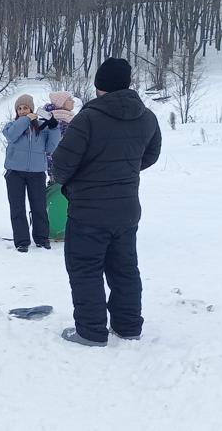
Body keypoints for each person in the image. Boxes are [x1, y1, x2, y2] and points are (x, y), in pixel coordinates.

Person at [52, 58, 161, 347]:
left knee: (85, 269)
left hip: (89, 211)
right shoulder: (147, 117)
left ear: (99, 86)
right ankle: (128, 327)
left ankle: (90, 332)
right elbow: (150, 156)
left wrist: (85, 177)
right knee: (124, 269)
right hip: (126, 211)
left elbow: (61, 166)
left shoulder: (89, 118)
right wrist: (121, 170)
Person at [2, 94, 61, 252]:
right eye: (19, 108)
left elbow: (51, 148)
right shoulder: (10, 126)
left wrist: (54, 127)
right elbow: (12, 136)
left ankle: (42, 238)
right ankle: (22, 241)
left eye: (25, 108)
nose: (22, 110)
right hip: (15, 173)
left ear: (32, 109)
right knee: (17, 208)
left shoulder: (42, 128)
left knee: (39, 207)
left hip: (36, 173)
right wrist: (26, 119)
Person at [44, 91, 76, 182]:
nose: (73, 102)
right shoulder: (57, 121)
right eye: (69, 100)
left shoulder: (67, 118)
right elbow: (53, 147)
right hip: (59, 167)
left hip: (69, 164)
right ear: (61, 103)